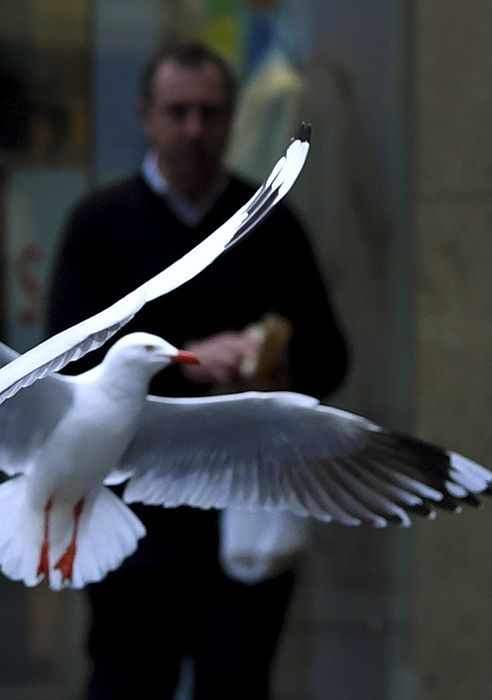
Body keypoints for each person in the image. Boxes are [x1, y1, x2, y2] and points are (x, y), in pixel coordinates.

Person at [46, 42, 347, 700]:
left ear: (231, 118)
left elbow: (330, 357)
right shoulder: (100, 225)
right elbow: (62, 370)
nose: (193, 130)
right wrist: (180, 362)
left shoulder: (268, 222)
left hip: (243, 520)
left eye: (209, 114)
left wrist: (270, 366)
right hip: (133, 521)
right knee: (128, 681)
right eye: (177, 112)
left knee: (237, 683)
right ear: (146, 116)